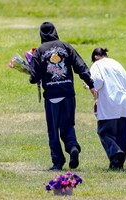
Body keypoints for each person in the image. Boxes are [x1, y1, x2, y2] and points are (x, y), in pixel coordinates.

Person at [28, 22, 97, 171]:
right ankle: (72, 147)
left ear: (41, 34)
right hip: (67, 94)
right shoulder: (66, 47)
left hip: (52, 97)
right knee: (68, 125)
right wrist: (90, 84)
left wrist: (32, 69)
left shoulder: (40, 51)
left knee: (53, 130)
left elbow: (33, 78)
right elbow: (81, 66)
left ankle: (58, 162)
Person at [87, 47, 126, 170]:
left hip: (110, 102)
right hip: (125, 103)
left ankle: (114, 152)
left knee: (104, 132)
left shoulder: (97, 65)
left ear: (96, 57)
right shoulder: (118, 65)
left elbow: (97, 82)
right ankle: (118, 165)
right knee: (122, 136)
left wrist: (88, 85)